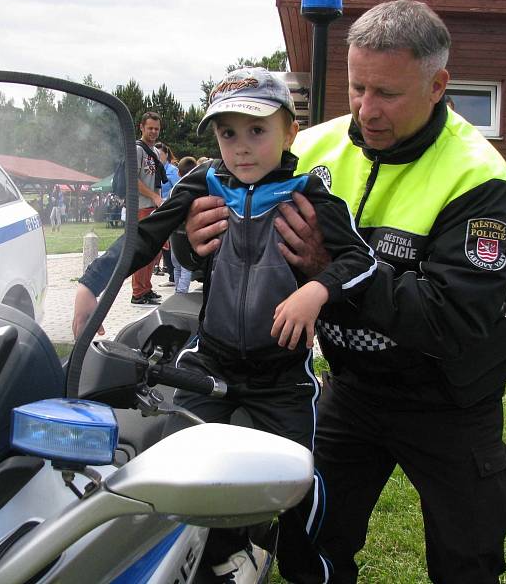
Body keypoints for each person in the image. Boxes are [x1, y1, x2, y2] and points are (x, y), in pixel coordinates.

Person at [183, 1, 506, 583]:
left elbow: (450, 316)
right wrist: (198, 245)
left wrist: (326, 271)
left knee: (466, 560)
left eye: (387, 93)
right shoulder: (310, 147)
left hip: (450, 397)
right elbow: (241, 241)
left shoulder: (478, 176)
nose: (367, 110)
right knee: (312, 540)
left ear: (439, 84)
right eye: (356, 87)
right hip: (354, 386)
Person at [73, 66, 376, 583]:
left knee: (301, 479)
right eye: (226, 132)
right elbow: (146, 234)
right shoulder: (203, 182)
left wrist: (315, 289)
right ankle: (202, 554)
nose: (240, 147)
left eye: (257, 130)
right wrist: (91, 282)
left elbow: (361, 259)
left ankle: (308, 570)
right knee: (170, 468)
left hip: (282, 377)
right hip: (207, 363)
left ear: (290, 133)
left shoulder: (312, 194)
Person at [131, 111, 166, 305]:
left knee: (153, 250)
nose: (153, 131)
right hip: (141, 206)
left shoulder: (152, 152)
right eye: (150, 128)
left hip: (152, 205)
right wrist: (153, 196)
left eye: (157, 129)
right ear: (141, 127)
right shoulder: (138, 150)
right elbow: (133, 179)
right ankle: (138, 292)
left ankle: (146, 287)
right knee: (143, 249)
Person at [168, 155, 197, 294]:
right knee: (185, 265)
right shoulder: (199, 189)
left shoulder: (175, 190)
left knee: (177, 265)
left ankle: (178, 292)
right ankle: (181, 292)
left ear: (178, 173)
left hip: (174, 232)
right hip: (188, 233)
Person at [155, 141, 180, 284]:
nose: (158, 156)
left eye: (160, 154)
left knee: (170, 242)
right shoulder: (155, 169)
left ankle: (173, 275)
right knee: (163, 243)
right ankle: (171, 273)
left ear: (166, 154)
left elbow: (178, 189)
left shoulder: (172, 170)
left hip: (169, 208)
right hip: (158, 209)